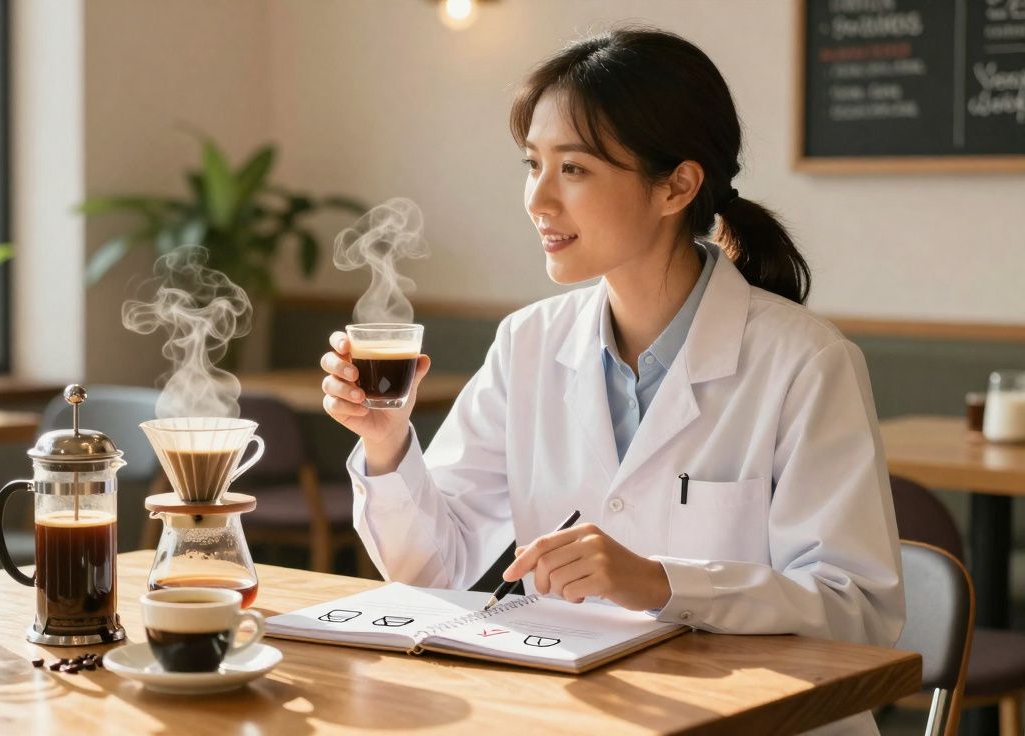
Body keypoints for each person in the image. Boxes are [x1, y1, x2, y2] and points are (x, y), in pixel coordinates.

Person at [319, 28, 902, 735]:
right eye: (532, 164)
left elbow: (858, 612)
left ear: (676, 185)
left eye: (574, 170)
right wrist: (387, 443)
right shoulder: (529, 342)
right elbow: (431, 569)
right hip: (581, 714)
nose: (537, 198)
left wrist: (661, 582)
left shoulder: (805, 362)